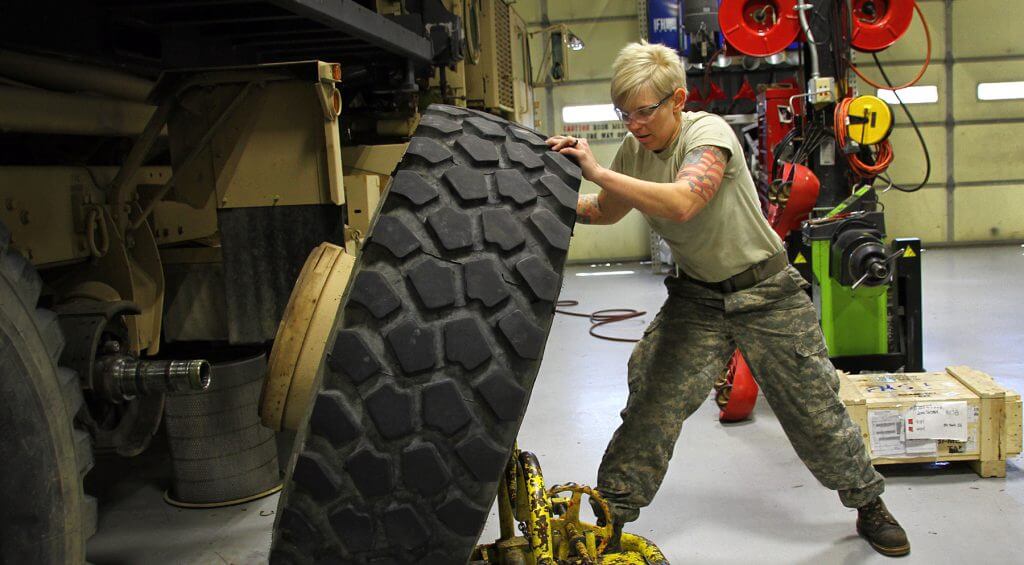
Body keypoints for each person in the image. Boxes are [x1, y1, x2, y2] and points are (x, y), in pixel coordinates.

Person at [546, 41, 909, 557]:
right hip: (698, 298)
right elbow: (606, 209)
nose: (633, 124)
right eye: (623, 113)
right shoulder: (634, 149)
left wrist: (599, 170)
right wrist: (546, 191)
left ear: (677, 99)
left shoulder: (708, 136)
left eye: (644, 111)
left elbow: (684, 202)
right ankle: (612, 516)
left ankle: (869, 503)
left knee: (815, 412)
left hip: (767, 294)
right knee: (651, 404)